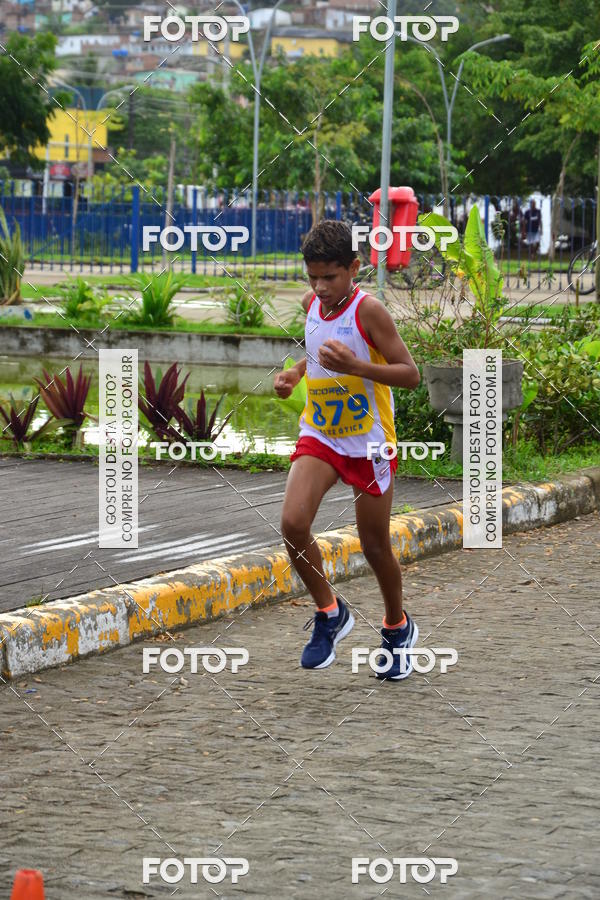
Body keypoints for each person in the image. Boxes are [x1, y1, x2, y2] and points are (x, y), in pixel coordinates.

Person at [273, 220, 421, 680]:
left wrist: (357, 365)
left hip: (369, 441)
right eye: (312, 277)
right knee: (293, 524)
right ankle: (330, 613)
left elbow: (409, 372)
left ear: (354, 268)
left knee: (375, 545)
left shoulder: (369, 311)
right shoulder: (312, 304)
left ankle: (397, 627)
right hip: (320, 433)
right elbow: (319, 347)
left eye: (330, 277)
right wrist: (297, 373)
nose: (320, 287)